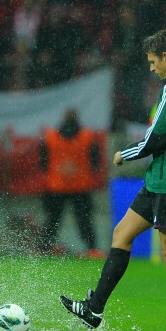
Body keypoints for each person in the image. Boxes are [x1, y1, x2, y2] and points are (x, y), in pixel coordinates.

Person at [60, 29, 166, 331]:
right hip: (162, 180)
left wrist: (126, 153)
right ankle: (94, 309)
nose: (151, 69)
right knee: (122, 233)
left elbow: (157, 136)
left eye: (152, 62)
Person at [39, 108, 105, 258]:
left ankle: (44, 248)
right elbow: (95, 161)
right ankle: (91, 249)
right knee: (84, 220)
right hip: (81, 186)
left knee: (52, 219)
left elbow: (43, 161)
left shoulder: (50, 137)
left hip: (56, 185)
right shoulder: (88, 137)